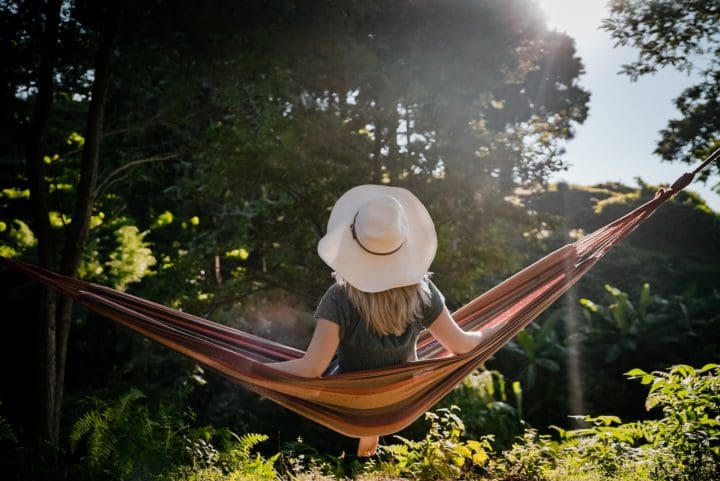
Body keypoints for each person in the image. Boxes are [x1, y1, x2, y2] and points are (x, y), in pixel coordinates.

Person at [268, 184, 484, 457]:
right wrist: (489, 333)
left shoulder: (339, 298)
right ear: (404, 242)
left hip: (351, 398)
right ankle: (370, 439)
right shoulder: (423, 293)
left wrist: (262, 370)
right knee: (380, 379)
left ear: (352, 239)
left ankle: (367, 432)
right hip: (401, 395)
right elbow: (462, 345)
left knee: (350, 373)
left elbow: (312, 368)